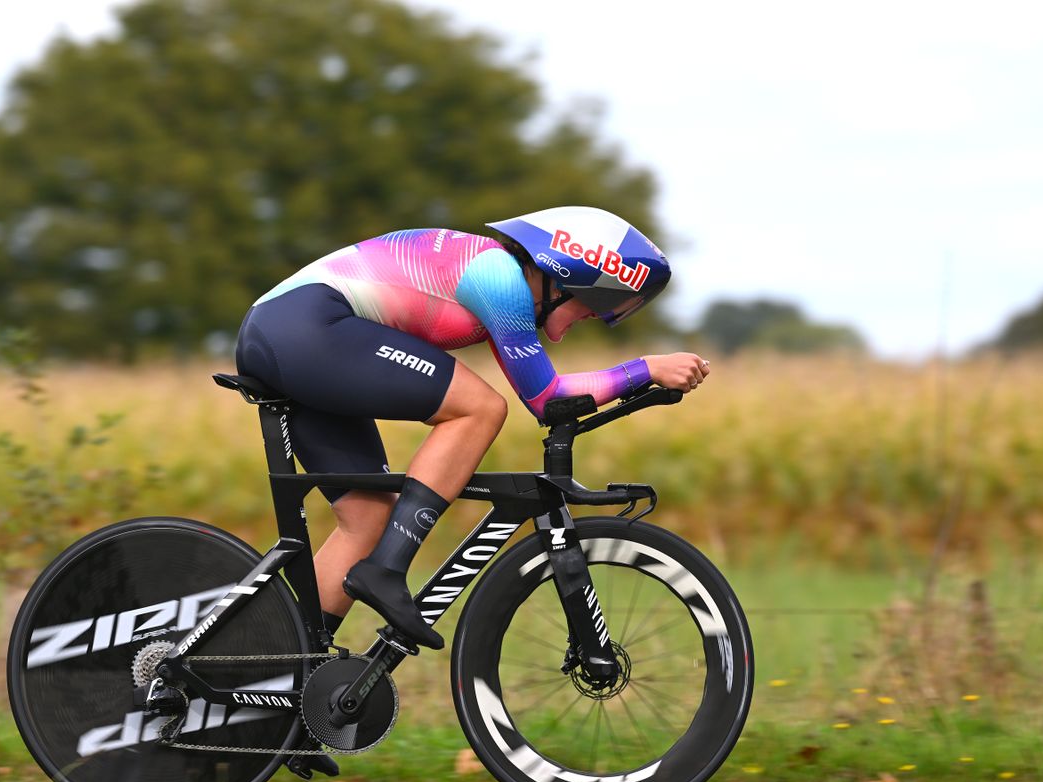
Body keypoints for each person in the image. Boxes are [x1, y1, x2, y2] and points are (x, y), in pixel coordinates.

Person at [235, 206, 709, 653]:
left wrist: (640, 376)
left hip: (292, 329)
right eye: (591, 307)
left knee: (367, 518)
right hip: (304, 326)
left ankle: (283, 669)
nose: (583, 323)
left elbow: (549, 399)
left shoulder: (494, 284)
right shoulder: (499, 281)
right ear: (564, 280)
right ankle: (385, 571)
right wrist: (644, 369)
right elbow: (549, 400)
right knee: (479, 409)